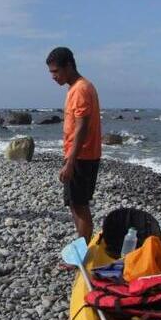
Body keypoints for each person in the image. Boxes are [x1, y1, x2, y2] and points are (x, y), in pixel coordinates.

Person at [46, 47, 101, 243]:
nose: (53, 77)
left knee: (79, 205)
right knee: (74, 203)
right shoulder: (78, 87)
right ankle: (81, 247)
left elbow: (82, 127)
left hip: (81, 156)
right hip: (81, 155)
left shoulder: (80, 89)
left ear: (68, 66)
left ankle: (83, 253)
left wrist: (70, 162)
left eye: (56, 71)